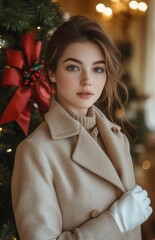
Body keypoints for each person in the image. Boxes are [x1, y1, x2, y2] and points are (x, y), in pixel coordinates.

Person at [11, 15, 152, 240]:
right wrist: (115, 222)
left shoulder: (118, 139)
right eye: (73, 67)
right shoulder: (35, 151)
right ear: (52, 73)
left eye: (98, 69)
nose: (87, 80)